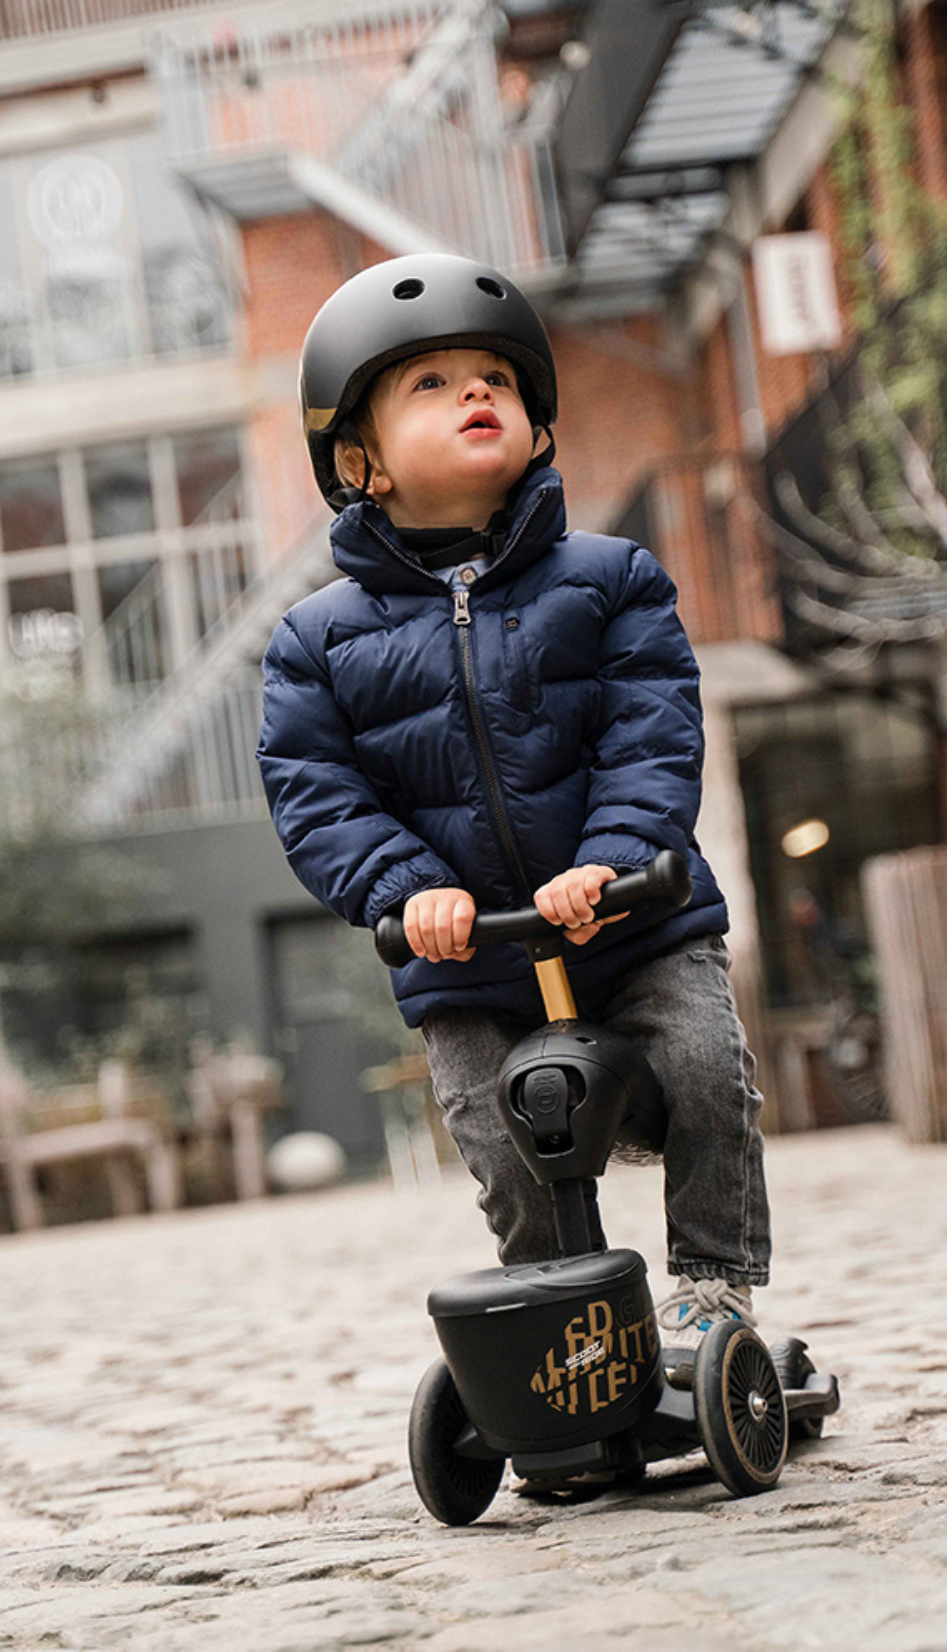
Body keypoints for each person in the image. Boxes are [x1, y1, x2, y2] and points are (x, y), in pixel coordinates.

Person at [256, 253, 771, 1349]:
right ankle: (559, 1311)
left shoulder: (612, 578)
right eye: (430, 385)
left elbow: (651, 734)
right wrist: (408, 890)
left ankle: (711, 1282)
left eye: (494, 377)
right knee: (493, 1128)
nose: (474, 393)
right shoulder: (314, 640)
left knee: (703, 1066)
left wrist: (611, 858)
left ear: (537, 430)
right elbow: (315, 791)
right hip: (466, 949)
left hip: (629, 919)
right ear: (358, 459)